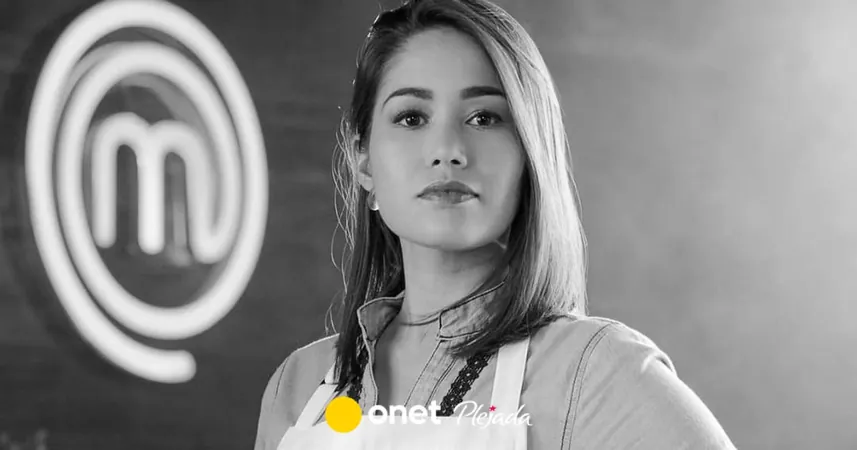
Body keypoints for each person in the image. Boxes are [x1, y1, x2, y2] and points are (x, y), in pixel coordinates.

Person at [254, 0, 736, 448]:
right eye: (412, 117)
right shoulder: (298, 387)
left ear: (530, 154)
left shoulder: (593, 373)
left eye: (484, 118)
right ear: (364, 160)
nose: (448, 150)